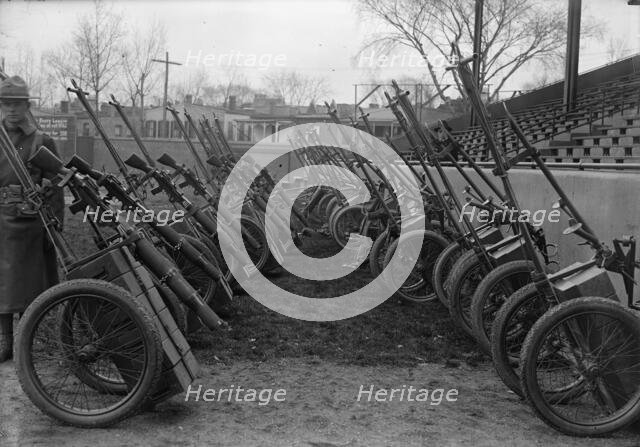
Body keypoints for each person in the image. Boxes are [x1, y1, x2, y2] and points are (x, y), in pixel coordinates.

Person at [0, 75, 64, 362]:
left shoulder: (41, 139)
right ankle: (4, 342)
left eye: (17, 104)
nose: (11, 110)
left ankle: (25, 341)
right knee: (2, 283)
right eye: (6, 104)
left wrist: (55, 225)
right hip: (0, 221)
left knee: (27, 286)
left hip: (29, 223)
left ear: (27, 105)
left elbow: (56, 185)